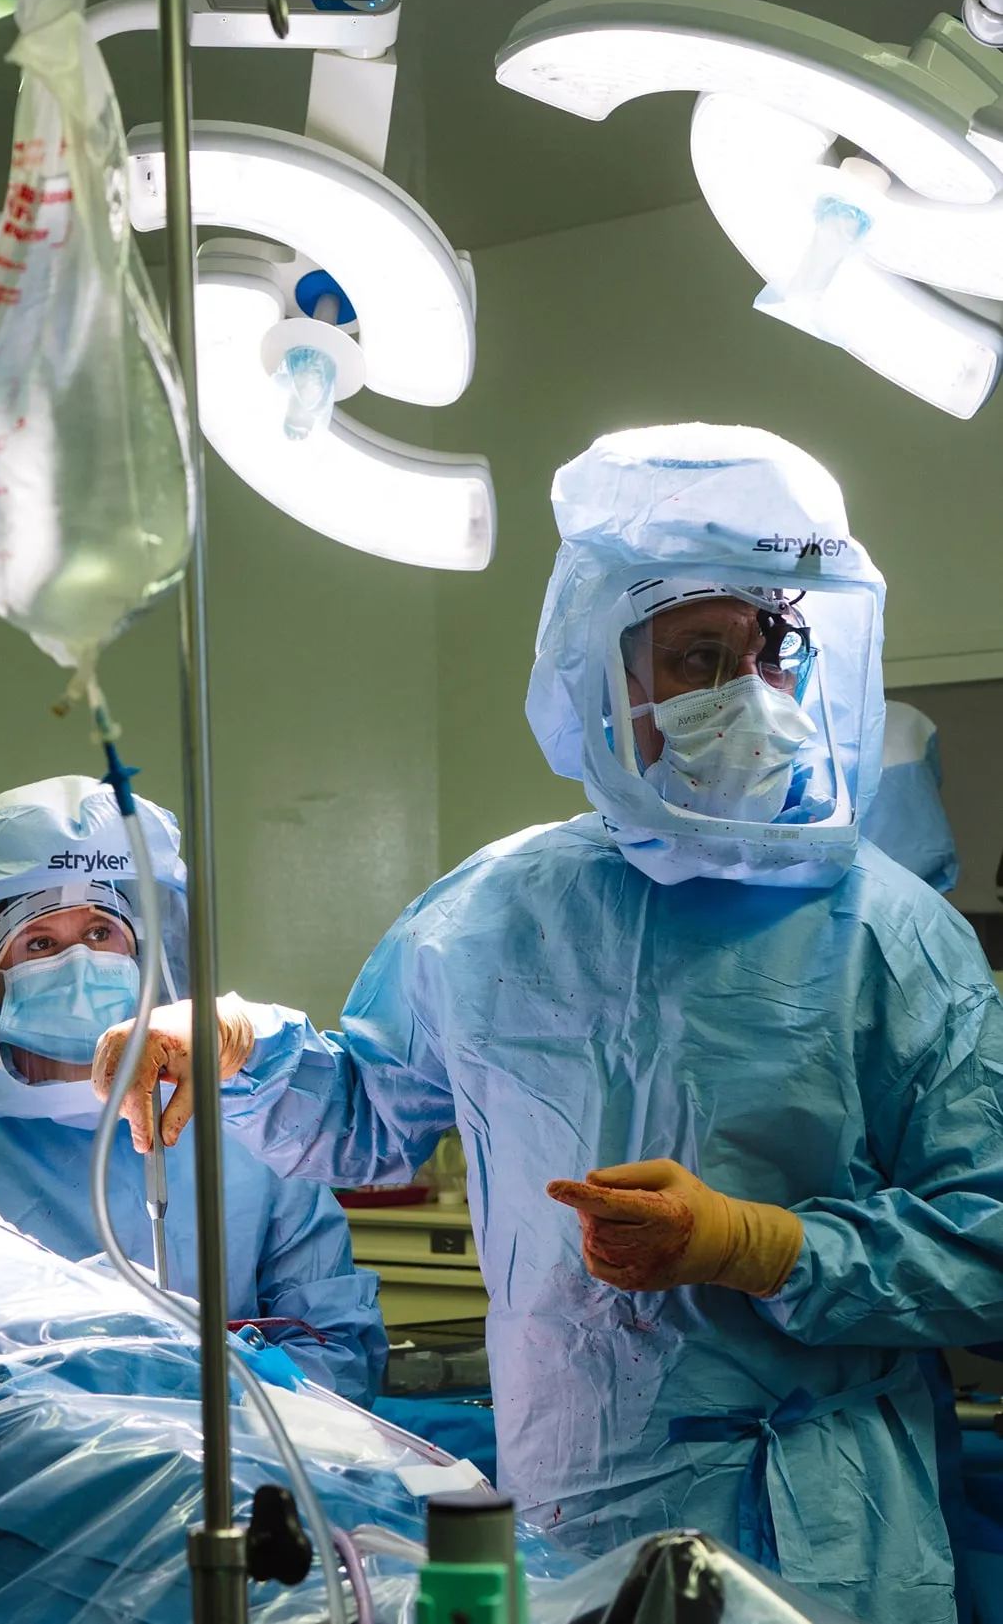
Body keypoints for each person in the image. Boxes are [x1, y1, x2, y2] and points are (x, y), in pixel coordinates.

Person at [98, 424, 1003, 1624]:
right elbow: (370, 1121)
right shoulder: (491, 918)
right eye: (697, 654)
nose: (751, 695)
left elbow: (986, 1243)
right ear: (598, 669)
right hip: (579, 1511)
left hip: (838, 1536)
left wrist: (756, 1244)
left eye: (770, 651)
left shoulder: (892, 933)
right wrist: (240, 1047)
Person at [0, 775, 389, 1406]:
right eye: (40, 944)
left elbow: (339, 1344)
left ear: (144, 956)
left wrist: (231, 1402)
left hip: (246, 1466)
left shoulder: (243, 1116)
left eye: (99, 933)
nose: (80, 964)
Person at [861, 699, 960, 893]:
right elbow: (934, 778)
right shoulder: (910, 717)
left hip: (870, 868)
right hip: (923, 858)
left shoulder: (823, 720)